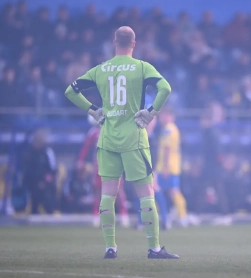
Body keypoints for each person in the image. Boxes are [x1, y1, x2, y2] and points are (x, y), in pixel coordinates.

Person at [65, 26, 178, 259]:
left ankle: (110, 248)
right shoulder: (141, 67)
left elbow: (70, 91)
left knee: (108, 194)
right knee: (146, 193)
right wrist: (151, 112)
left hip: (107, 139)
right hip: (134, 138)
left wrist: (94, 111)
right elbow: (165, 88)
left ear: (114, 42)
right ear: (134, 44)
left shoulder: (101, 69)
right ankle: (154, 248)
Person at [78, 115, 130, 228]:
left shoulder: (115, 130)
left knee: (119, 191)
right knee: (97, 191)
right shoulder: (93, 133)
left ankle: (124, 216)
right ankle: (96, 217)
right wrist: (81, 161)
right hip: (99, 165)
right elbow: (85, 148)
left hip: (115, 164)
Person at [156, 107, 190, 227]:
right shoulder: (173, 129)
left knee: (164, 191)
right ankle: (180, 215)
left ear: (170, 116)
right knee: (172, 192)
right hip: (172, 166)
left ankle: (179, 216)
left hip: (167, 167)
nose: (161, 118)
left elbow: (167, 148)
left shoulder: (168, 130)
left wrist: (165, 167)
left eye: (164, 115)